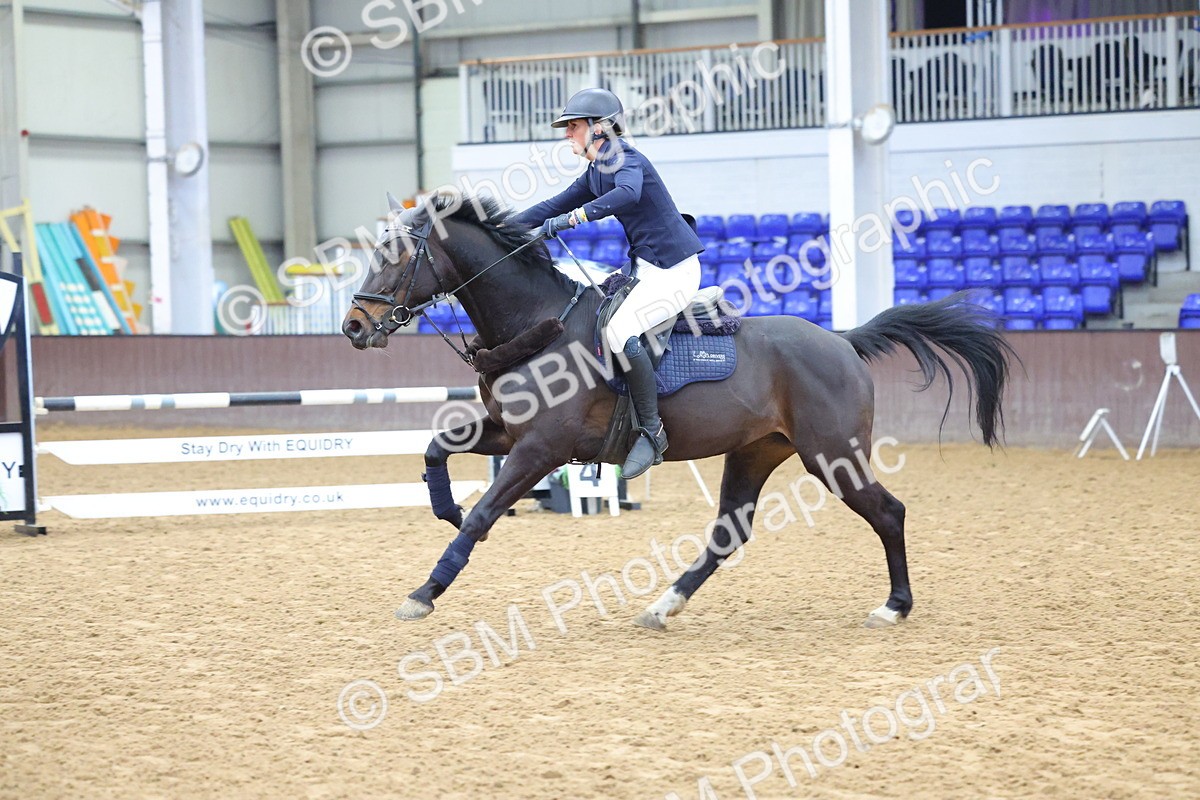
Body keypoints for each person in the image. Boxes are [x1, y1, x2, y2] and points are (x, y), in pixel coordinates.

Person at [513, 87, 704, 479]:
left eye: (573, 126)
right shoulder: (595, 170)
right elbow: (553, 205)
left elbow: (629, 193)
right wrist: (501, 228)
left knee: (618, 331)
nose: (567, 133)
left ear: (599, 128)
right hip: (646, 267)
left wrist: (573, 220)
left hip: (675, 270)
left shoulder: (624, 159)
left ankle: (652, 433)